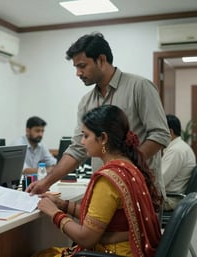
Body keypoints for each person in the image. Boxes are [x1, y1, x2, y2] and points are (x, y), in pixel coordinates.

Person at [26, 32, 170, 197]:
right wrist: (46, 182)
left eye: (82, 66)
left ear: (101, 60)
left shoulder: (139, 87)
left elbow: (160, 134)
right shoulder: (86, 102)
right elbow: (77, 148)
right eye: (76, 68)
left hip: (140, 191)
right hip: (104, 193)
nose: (78, 73)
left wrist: (125, 167)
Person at [33, 105, 161, 257]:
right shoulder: (129, 166)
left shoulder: (108, 180)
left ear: (104, 138)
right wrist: (62, 204)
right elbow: (99, 218)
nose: (82, 142)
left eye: (86, 136)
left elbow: (86, 238)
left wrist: (54, 213)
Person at [162, 114, 196, 210]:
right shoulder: (182, 147)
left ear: (170, 132)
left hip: (171, 200)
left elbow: (160, 182)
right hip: (175, 197)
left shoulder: (176, 151)